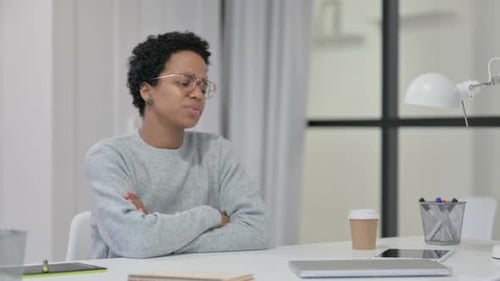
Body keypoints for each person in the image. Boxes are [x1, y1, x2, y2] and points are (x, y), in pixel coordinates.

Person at [85, 31, 271, 258]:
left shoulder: (217, 151)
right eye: (184, 82)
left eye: (203, 87)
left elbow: (258, 231)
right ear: (146, 90)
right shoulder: (109, 157)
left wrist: (157, 235)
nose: (197, 95)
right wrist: (211, 216)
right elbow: (136, 240)